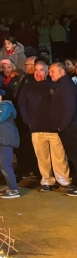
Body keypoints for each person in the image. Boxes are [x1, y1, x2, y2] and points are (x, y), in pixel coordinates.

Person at [18, 61, 70, 191]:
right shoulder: (27, 87)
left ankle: (63, 180)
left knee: (59, 156)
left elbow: (63, 105)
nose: (38, 72)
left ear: (47, 71)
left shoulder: (54, 85)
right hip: (36, 128)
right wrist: (28, 121)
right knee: (42, 157)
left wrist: (60, 123)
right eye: (36, 69)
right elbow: (21, 105)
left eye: (41, 70)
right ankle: (47, 181)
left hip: (54, 128)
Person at [48, 62, 77, 197]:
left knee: (75, 156)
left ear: (62, 71)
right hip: (68, 127)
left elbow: (69, 108)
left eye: (52, 71)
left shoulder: (66, 86)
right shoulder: (63, 85)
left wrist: (61, 126)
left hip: (71, 128)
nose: (50, 73)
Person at [0, 88, 21, 198]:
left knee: (6, 166)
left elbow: (0, 118)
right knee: (3, 166)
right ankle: (11, 187)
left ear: (0, 97)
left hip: (5, 141)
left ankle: (14, 190)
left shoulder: (5, 106)